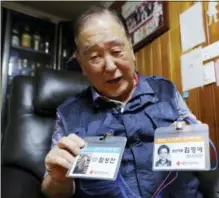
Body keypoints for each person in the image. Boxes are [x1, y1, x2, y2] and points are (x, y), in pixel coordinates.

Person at [41, 6, 202, 198]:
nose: (109, 66)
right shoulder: (68, 114)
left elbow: (193, 147)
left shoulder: (165, 90)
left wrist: (194, 137)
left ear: (132, 50)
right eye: (94, 57)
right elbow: (54, 191)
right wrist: (59, 178)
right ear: (82, 65)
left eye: (116, 51)